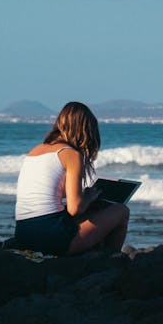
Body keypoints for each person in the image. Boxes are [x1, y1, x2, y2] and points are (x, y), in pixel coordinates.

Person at [14, 101, 129, 256]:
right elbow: (75, 209)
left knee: (94, 210)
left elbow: (49, 193)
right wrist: (87, 197)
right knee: (121, 211)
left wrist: (86, 199)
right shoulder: (71, 153)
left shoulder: (36, 150)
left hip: (23, 235)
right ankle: (109, 261)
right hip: (50, 237)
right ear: (85, 130)